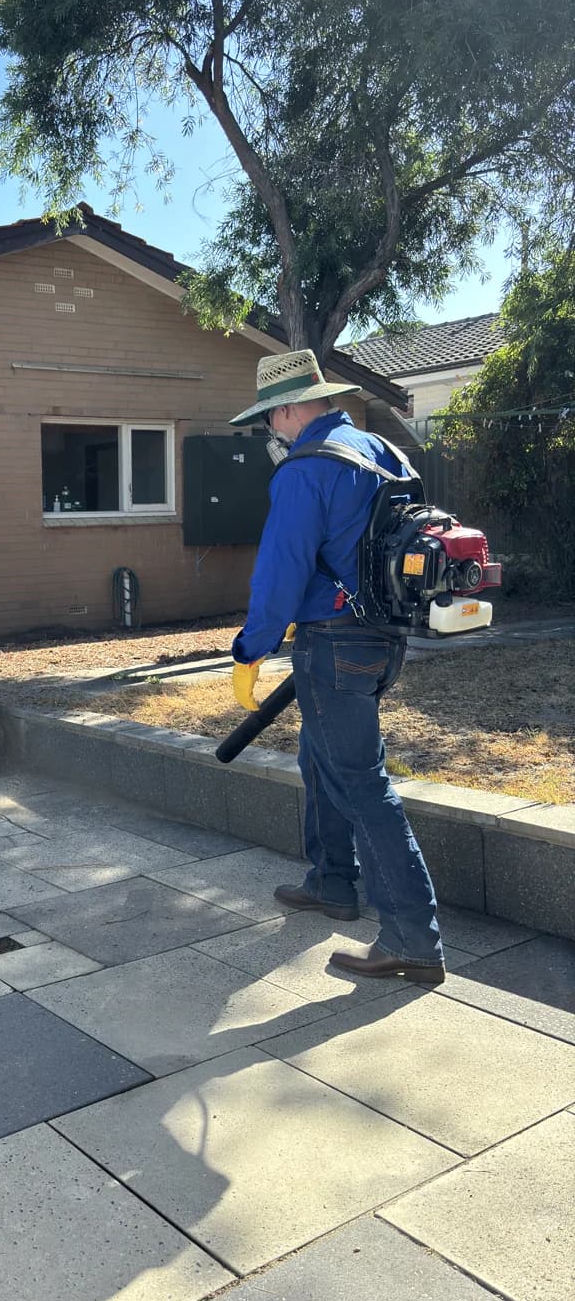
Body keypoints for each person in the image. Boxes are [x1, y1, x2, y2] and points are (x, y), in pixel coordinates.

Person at [229, 348, 445, 983]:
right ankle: (332, 882)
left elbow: (282, 568)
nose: (270, 430)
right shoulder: (384, 452)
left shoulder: (305, 470)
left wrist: (252, 644)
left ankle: (412, 936)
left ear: (291, 408)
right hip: (383, 635)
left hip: (334, 642)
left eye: (270, 417)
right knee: (321, 759)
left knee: (360, 782)